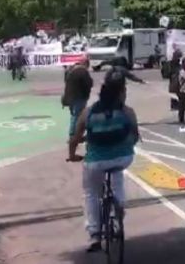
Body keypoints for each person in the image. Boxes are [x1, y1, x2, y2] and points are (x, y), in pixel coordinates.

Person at [67, 70, 139, 252]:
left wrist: (73, 154)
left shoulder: (88, 112)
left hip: (96, 161)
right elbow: (135, 136)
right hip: (123, 157)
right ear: (121, 92)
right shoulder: (128, 111)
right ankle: (119, 206)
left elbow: (74, 139)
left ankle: (94, 234)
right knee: (117, 174)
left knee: (91, 192)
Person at [62, 56, 94, 140]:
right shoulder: (82, 71)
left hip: (70, 97)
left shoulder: (71, 69)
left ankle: (75, 134)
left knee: (75, 115)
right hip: (79, 97)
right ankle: (73, 135)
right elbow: (89, 83)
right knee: (77, 115)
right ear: (86, 63)